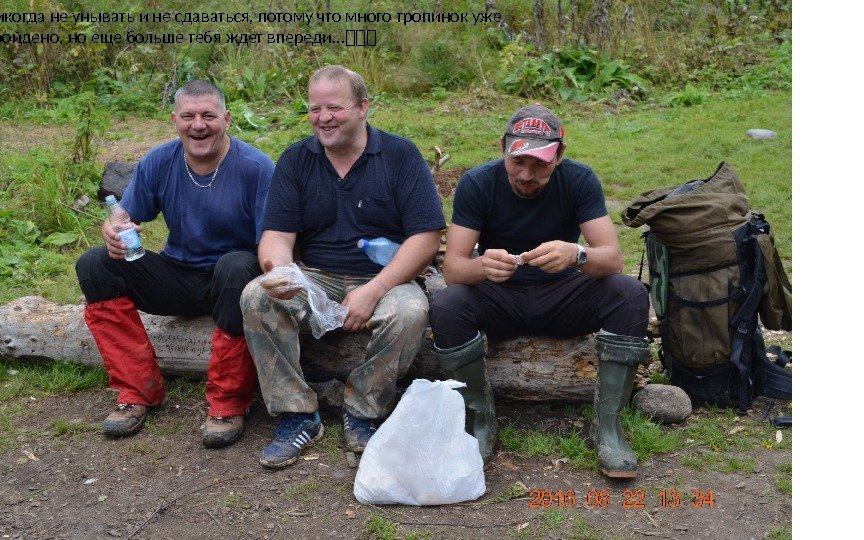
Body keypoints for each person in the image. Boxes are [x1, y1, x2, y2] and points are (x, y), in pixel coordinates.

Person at [240, 66, 446, 469]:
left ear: (363, 107)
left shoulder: (400, 155)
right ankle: (297, 414)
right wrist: (280, 270)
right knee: (256, 296)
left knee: (409, 312)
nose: (324, 117)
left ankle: (363, 410)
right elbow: (276, 236)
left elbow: (425, 238)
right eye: (315, 108)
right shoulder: (297, 159)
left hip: (387, 276)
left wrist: (374, 290)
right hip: (316, 272)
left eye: (335, 107)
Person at [429, 104, 651, 478]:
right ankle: (480, 421)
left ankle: (608, 428)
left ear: (559, 156)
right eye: (517, 162)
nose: (527, 175)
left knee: (628, 293)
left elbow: (611, 259)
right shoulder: (478, 183)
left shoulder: (579, 179)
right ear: (503, 148)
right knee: (449, 304)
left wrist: (575, 255)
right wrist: (482, 266)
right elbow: (453, 268)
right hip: (501, 297)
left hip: (564, 295)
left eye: (540, 165)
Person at [75, 80, 275, 448]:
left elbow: (271, 243)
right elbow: (126, 216)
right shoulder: (159, 160)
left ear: (226, 119)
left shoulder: (256, 168)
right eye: (188, 116)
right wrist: (113, 229)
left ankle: (228, 402)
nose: (198, 125)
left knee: (235, 264)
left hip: (233, 285)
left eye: (208, 116)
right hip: (177, 277)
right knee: (95, 264)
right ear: (175, 120)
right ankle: (138, 391)